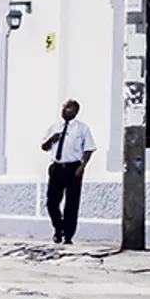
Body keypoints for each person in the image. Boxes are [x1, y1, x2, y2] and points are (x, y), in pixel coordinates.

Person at [40, 99, 97, 245]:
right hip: (56, 167)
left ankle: (68, 235)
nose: (64, 110)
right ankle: (59, 228)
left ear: (76, 111)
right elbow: (44, 147)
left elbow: (89, 149)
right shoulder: (54, 127)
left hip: (73, 168)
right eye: (63, 107)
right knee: (51, 202)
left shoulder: (82, 129)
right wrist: (51, 139)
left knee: (71, 203)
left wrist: (82, 167)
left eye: (68, 108)